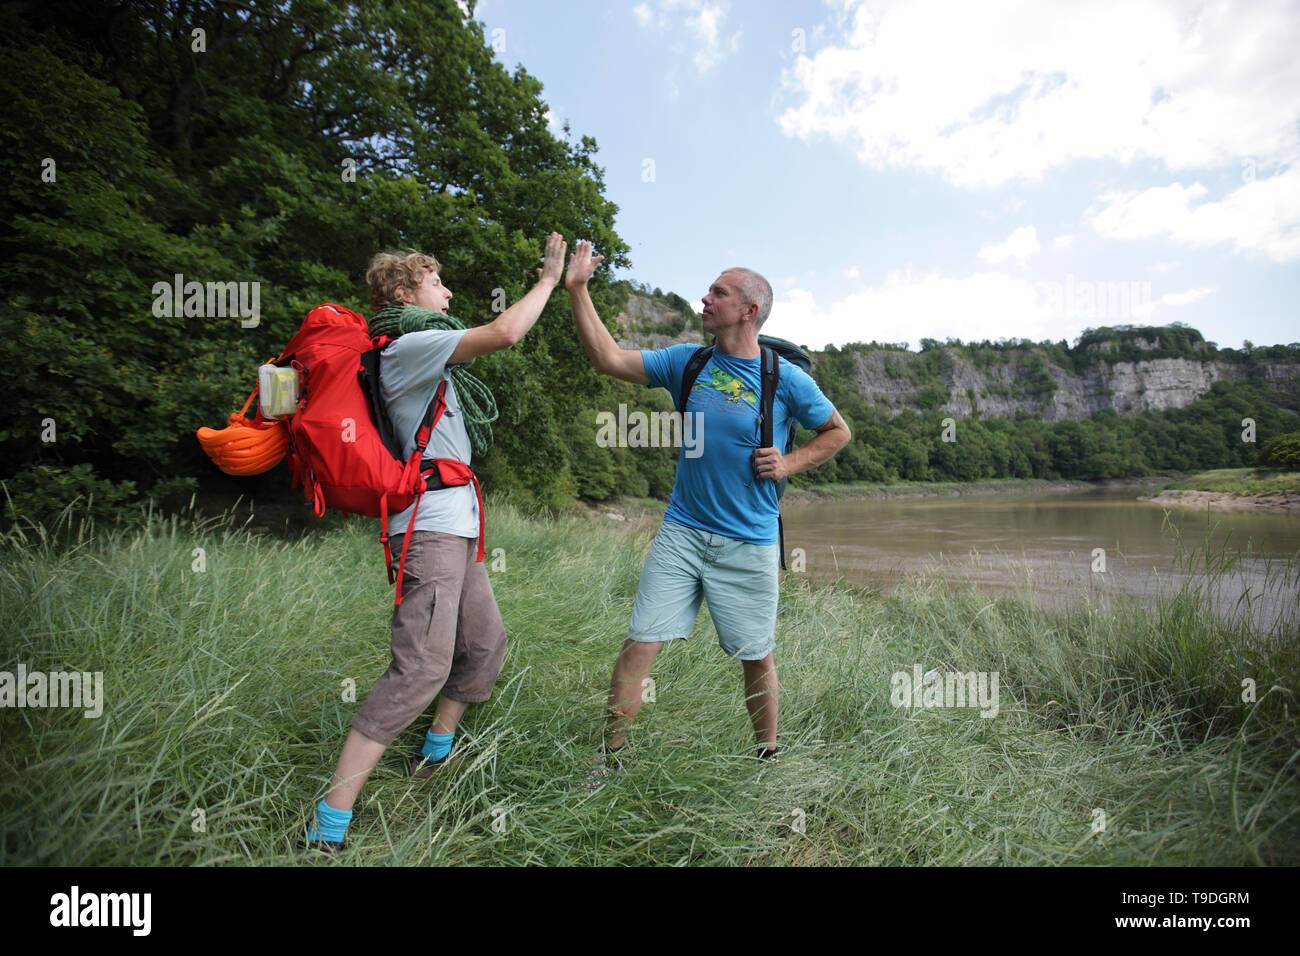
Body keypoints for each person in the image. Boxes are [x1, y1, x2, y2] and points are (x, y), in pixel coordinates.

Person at [303, 232, 568, 851]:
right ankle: (329, 825)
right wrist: (550, 281)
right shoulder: (409, 347)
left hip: (456, 524)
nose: (448, 292)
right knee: (421, 665)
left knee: (484, 644)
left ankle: (434, 759)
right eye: (437, 282)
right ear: (404, 293)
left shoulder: (422, 353)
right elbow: (504, 333)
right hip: (428, 528)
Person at [564, 241, 852, 769]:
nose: (705, 298)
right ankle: (608, 760)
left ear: (749, 310)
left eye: (718, 292)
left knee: (755, 656)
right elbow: (606, 358)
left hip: (750, 540)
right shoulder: (686, 362)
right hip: (682, 530)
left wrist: (790, 463)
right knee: (639, 643)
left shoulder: (784, 379)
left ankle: (767, 757)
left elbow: (837, 431)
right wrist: (578, 289)